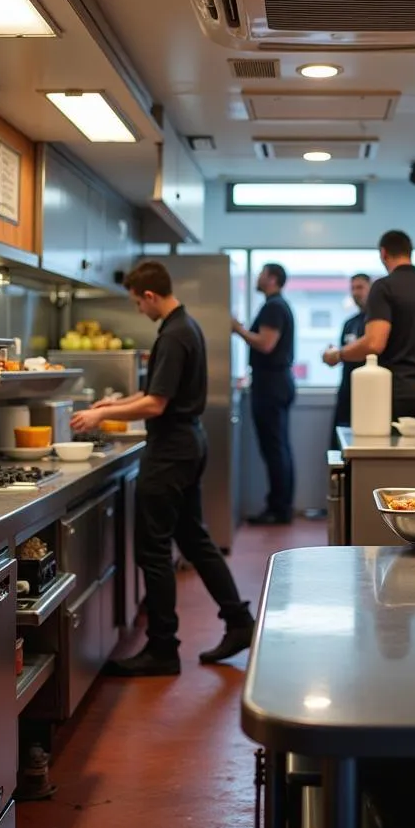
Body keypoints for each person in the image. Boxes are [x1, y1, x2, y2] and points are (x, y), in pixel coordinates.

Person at [70, 260, 255, 675]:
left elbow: (156, 403)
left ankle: (162, 648)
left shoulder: (173, 334)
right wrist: (114, 404)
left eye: (138, 302)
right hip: (189, 443)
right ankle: (240, 621)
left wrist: (100, 417)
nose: (139, 309)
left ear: (150, 295)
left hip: (171, 449)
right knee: (193, 539)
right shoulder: (184, 326)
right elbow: (154, 390)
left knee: (153, 549)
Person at [325, 231, 415, 419]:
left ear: (383, 253)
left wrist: (338, 354)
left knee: (392, 447)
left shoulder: (384, 287)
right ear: (409, 252)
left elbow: (374, 343)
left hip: (394, 394)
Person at [232, 262, 296, 525]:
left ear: (272, 278)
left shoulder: (273, 306)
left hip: (271, 385)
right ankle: (280, 506)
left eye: (261, 274)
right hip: (275, 382)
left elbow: (266, 344)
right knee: (278, 448)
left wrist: (238, 329)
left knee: (275, 449)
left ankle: (278, 509)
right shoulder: (277, 305)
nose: (257, 278)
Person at [322, 272, 372, 442]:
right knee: (340, 445)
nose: (356, 292)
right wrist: (334, 354)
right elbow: (341, 354)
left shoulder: (376, 325)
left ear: (371, 289)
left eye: (360, 287)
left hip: (369, 396)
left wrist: (340, 353)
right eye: (352, 288)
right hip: (347, 392)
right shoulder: (350, 323)